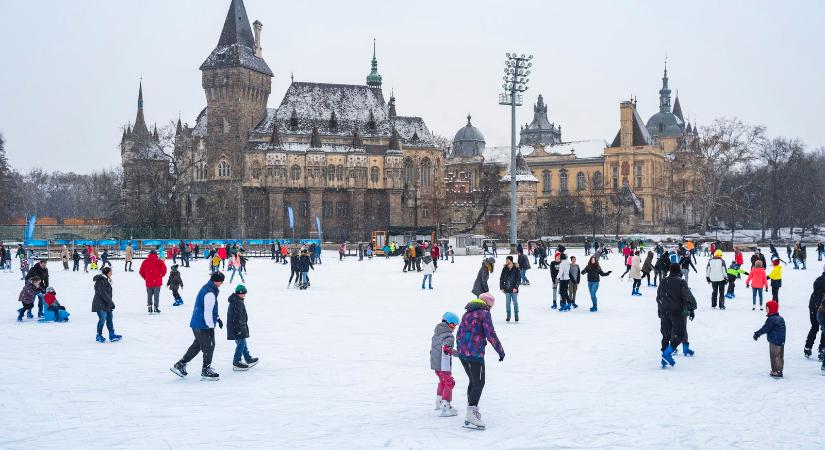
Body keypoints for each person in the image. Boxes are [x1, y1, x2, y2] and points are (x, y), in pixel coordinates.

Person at [456, 293, 505, 430]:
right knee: (479, 383)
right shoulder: (484, 313)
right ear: (487, 304)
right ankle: (471, 413)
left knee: (473, 381)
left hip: (463, 353)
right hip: (475, 353)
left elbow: (459, 332)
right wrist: (500, 351)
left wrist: (460, 349)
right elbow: (491, 334)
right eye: (491, 306)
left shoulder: (467, 313)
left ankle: (470, 411)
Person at [170, 272, 225, 381]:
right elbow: (208, 312)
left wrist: (217, 318)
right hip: (203, 324)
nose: (222, 283)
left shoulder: (208, 288)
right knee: (209, 346)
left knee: (198, 345)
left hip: (198, 323)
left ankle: (180, 364)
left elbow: (209, 308)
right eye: (221, 281)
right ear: (217, 281)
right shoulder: (210, 292)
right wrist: (210, 327)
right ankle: (206, 369)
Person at [657, 264, 691, 368]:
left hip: (664, 311)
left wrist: (660, 310)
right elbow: (686, 297)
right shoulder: (681, 282)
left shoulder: (663, 281)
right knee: (680, 334)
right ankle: (667, 353)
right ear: (678, 271)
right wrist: (689, 310)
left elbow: (658, 297)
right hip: (676, 311)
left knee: (666, 335)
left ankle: (664, 359)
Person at [431, 312, 459, 417]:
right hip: (444, 364)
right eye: (453, 325)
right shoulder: (449, 336)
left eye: (455, 325)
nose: (454, 328)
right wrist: (460, 354)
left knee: (442, 381)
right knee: (449, 383)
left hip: (436, 364)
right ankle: (446, 406)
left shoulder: (436, 334)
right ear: (447, 323)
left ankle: (439, 402)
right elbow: (447, 348)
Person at [227, 284, 258, 371]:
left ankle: (248, 358)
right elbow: (237, 317)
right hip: (237, 328)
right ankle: (236, 362)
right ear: (239, 293)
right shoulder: (238, 302)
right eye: (244, 293)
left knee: (243, 343)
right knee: (241, 344)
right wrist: (239, 330)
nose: (245, 295)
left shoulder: (236, 300)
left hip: (236, 327)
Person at [753, 300, 786, 378]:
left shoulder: (771, 319)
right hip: (781, 341)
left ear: (771, 309)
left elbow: (765, 329)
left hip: (774, 341)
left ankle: (775, 371)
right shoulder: (780, 318)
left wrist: (757, 334)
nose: (766, 309)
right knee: (780, 356)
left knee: (774, 356)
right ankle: (780, 370)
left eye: (767, 308)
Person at [92, 267, 121, 343]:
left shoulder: (106, 280)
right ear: (107, 272)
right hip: (100, 303)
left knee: (109, 319)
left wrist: (109, 302)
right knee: (102, 319)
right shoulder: (101, 281)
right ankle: (99, 335)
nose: (112, 273)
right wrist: (111, 302)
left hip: (106, 303)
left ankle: (112, 335)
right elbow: (103, 293)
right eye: (111, 271)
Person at [804, 265, 825, 359]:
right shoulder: (821, 281)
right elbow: (819, 295)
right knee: (823, 329)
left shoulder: (818, 279)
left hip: (813, 306)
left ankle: (808, 347)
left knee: (815, 327)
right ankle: (822, 349)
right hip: (820, 308)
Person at [500, 255, 521, 322]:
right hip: (507, 288)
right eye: (506, 260)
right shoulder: (505, 268)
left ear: (511, 260)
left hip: (514, 289)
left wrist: (516, 287)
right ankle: (508, 316)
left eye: (507, 260)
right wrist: (502, 287)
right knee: (507, 303)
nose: (506, 261)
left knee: (515, 302)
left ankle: (516, 316)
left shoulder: (516, 268)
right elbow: (501, 278)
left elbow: (518, 279)